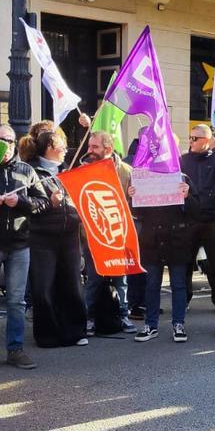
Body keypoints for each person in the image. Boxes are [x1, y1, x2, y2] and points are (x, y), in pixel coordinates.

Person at [0, 123, 48, 371]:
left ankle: (15, 350)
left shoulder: (27, 170)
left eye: (11, 140)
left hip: (19, 246)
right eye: (1, 140)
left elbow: (43, 202)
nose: (6, 145)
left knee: (16, 302)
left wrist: (22, 202)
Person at [28, 129, 89, 347]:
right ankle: (47, 335)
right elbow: (29, 205)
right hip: (42, 237)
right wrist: (49, 203)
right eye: (63, 145)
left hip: (70, 234)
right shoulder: (32, 171)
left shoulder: (68, 170)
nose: (66, 150)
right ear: (51, 147)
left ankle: (75, 331)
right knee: (43, 287)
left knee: (72, 284)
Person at [81, 131, 136, 335]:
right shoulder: (82, 170)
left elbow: (135, 207)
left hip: (117, 235)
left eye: (95, 147)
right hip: (93, 235)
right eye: (89, 146)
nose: (90, 150)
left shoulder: (127, 172)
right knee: (94, 279)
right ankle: (89, 318)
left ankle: (123, 315)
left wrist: (132, 197)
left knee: (120, 279)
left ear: (108, 149)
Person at [130, 167, 191, 343]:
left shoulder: (182, 177)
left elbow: (194, 209)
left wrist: (187, 196)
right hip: (152, 241)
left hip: (176, 240)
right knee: (152, 284)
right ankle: (151, 325)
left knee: (178, 285)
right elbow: (136, 213)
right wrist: (132, 196)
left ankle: (178, 324)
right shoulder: (142, 178)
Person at [179, 123, 215, 304]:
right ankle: (185, 298)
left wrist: (198, 203)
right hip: (188, 220)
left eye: (195, 138)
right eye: (190, 137)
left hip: (211, 220)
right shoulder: (183, 160)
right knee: (186, 263)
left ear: (207, 140)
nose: (190, 141)